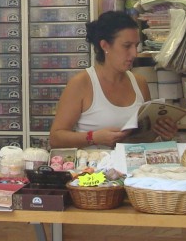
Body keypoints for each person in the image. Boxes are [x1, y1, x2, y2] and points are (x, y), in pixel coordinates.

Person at [49, 11, 178, 149]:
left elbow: (145, 136)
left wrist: (163, 133)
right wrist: (94, 138)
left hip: (134, 167)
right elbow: (56, 138)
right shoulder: (81, 83)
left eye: (136, 45)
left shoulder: (139, 83)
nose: (134, 53)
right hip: (95, 169)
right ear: (105, 46)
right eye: (127, 46)